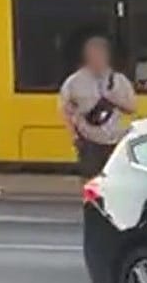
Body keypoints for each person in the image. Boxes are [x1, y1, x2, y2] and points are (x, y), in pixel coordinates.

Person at [58, 36, 136, 179]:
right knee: (91, 183)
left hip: (117, 141)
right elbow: (65, 109)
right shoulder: (74, 82)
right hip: (89, 143)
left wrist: (114, 99)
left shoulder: (119, 80)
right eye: (93, 54)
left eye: (100, 53)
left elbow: (132, 108)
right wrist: (74, 137)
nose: (97, 57)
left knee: (115, 180)